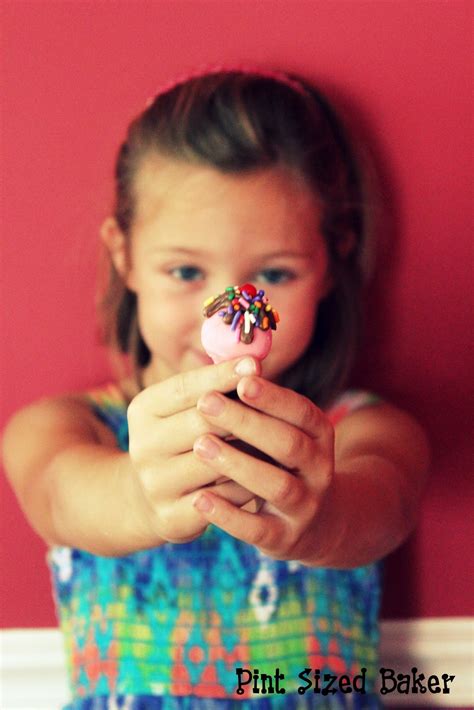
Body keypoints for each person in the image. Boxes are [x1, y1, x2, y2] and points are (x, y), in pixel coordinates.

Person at [2, 67, 429, 709]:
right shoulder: (63, 428)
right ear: (124, 255)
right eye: (186, 270)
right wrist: (141, 500)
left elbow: (384, 504)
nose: (224, 318)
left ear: (331, 260)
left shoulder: (362, 430)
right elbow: (62, 496)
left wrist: (322, 521)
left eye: (274, 274)